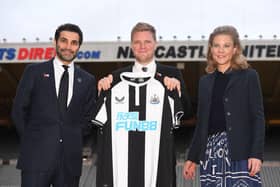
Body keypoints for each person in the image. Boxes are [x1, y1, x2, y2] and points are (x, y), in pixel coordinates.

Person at [94, 22, 192, 187]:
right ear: (131, 45)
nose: (142, 46)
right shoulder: (115, 78)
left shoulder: (172, 74)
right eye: (137, 42)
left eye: (147, 42)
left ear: (155, 44)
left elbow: (187, 112)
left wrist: (177, 91)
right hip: (123, 167)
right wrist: (100, 90)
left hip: (160, 164)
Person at [12, 23, 96, 187]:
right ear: (55, 42)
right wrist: (34, 140)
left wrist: (72, 136)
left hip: (69, 164)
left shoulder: (87, 80)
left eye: (74, 43)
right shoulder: (34, 72)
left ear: (79, 46)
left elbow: (88, 118)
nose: (68, 47)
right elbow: (18, 111)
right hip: (35, 160)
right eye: (64, 41)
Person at [183, 25, 265, 187]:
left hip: (241, 152)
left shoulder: (249, 76)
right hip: (211, 155)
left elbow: (258, 117)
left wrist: (256, 154)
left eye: (226, 46)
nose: (221, 50)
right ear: (211, 49)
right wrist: (191, 157)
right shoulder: (205, 82)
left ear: (235, 49)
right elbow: (202, 125)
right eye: (216, 45)